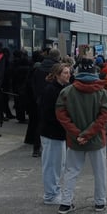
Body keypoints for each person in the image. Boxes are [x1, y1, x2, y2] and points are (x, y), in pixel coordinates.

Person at [55, 58, 107, 214]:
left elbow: (61, 115)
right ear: (94, 71)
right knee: (100, 171)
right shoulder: (102, 92)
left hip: (74, 140)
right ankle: (100, 202)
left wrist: (77, 134)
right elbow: (104, 116)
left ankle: (66, 203)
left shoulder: (66, 92)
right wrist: (89, 133)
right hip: (96, 139)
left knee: (71, 171)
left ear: (77, 72)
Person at [39, 63, 71, 204]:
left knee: (58, 165)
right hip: (52, 133)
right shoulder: (51, 90)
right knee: (52, 165)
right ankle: (50, 195)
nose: (68, 75)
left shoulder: (60, 89)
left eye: (68, 72)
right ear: (58, 75)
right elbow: (48, 113)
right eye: (65, 72)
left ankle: (54, 192)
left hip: (57, 132)